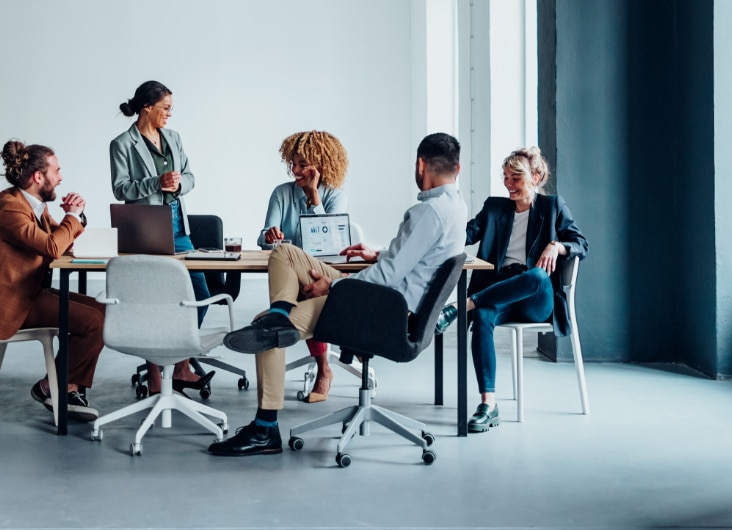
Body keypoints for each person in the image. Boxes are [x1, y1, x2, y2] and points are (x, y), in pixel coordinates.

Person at [210, 133, 469, 457]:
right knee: (285, 253)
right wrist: (379, 253)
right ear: (457, 169)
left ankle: (264, 429)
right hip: (393, 302)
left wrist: (332, 286)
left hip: (382, 308)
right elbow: (415, 260)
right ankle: (279, 314)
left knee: (267, 336)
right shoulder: (455, 206)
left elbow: (388, 278)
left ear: (420, 165)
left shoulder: (427, 213)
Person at [443, 147, 588, 434]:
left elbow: (581, 243)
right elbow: (467, 234)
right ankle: (488, 404)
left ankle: (463, 305)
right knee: (483, 316)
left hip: (537, 295)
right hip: (501, 290)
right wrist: (449, 214)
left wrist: (556, 245)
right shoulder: (495, 208)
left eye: (515, 178)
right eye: (506, 178)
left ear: (535, 177)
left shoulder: (553, 207)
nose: (508, 184)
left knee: (535, 275)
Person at [0, 140, 106, 422]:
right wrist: (70, 217)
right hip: (12, 303)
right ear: (38, 177)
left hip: (29, 292)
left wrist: (76, 216)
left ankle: (62, 386)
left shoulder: (35, 208)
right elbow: (52, 247)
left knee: (103, 311)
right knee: (94, 322)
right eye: (56, 171)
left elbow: (65, 241)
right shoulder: (10, 208)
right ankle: (56, 388)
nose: (60, 177)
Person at [109, 80, 214, 395]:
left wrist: (178, 185)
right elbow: (120, 188)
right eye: (165, 108)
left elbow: (190, 177)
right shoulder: (123, 143)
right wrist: (156, 183)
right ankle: (157, 376)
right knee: (152, 298)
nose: (170, 114)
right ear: (146, 108)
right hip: (144, 225)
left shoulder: (174, 138)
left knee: (199, 290)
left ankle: (179, 363)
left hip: (177, 224)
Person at [257, 130, 349, 403]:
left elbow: (329, 243)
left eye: (301, 165)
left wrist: (314, 197)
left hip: (321, 270)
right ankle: (321, 365)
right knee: (298, 286)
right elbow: (264, 238)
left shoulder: (335, 196)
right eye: (293, 164)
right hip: (289, 270)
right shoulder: (281, 193)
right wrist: (269, 236)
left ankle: (322, 368)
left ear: (320, 166)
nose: (294, 170)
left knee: (307, 286)